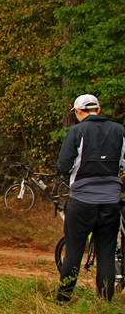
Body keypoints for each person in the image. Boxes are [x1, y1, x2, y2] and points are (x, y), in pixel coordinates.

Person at [56, 94, 125, 303]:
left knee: (74, 249)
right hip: (111, 201)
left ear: (78, 112)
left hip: (82, 201)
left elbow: (64, 166)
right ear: (99, 109)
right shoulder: (119, 131)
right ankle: (105, 301)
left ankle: (63, 299)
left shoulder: (76, 131)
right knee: (106, 251)